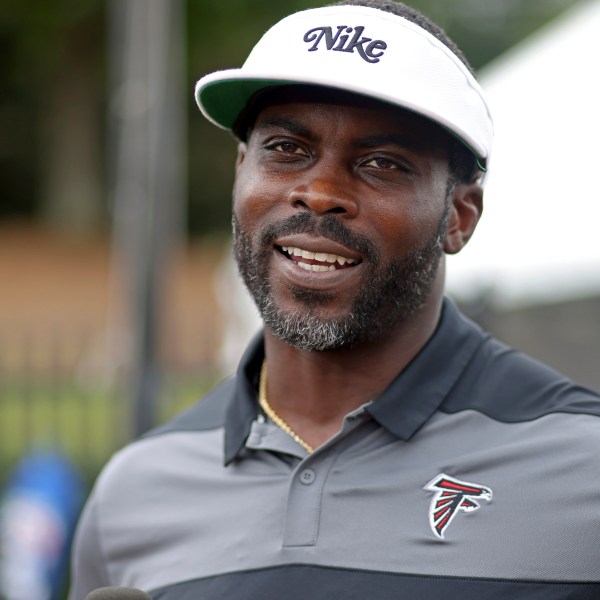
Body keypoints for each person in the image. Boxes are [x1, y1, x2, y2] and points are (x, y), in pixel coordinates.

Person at [68, 1, 600, 598]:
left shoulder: (583, 471)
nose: (319, 193)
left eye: (381, 162)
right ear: (241, 172)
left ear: (459, 216)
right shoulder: (135, 492)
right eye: (286, 149)